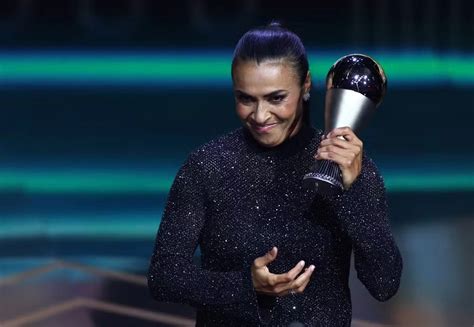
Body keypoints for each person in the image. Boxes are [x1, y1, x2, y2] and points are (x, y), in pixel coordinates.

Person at [147, 22, 403, 326]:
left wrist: (354, 192)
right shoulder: (207, 166)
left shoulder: (348, 165)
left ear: (306, 85)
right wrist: (244, 286)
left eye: (276, 98)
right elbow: (164, 276)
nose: (260, 115)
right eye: (245, 98)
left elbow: (384, 284)